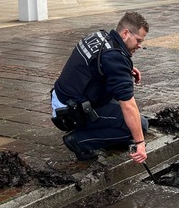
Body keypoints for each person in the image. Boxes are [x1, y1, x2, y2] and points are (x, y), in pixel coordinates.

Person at [51, 11, 149, 164]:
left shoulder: (100, 37)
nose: (139, 45)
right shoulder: (114, 58)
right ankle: (79, 141)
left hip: (62, 98)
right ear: (125, 33)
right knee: (140, 126)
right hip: (70, 113)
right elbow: (128, 105)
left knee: (131, 118)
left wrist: (126, 70)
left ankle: (106, 134)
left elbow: (95, 65)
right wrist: (140, 144)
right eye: (138, 40)